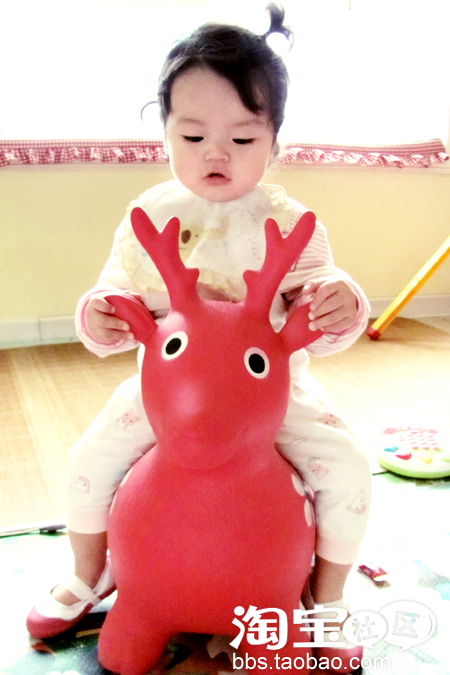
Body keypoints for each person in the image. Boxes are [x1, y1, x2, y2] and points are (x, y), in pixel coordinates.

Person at [27, 4, 371, 669]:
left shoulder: (290, 222)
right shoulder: (149, 217)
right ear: (165, 134)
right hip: (170, 399)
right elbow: (115, 297)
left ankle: (327, 597)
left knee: (349, 466)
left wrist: (340, 301)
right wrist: (98, 315)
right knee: (90, 455)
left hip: (270, 399)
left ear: (275, 142)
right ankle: (90, 571)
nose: (216, 153)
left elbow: (320, 319)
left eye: (242, 138)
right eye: (192, 135)